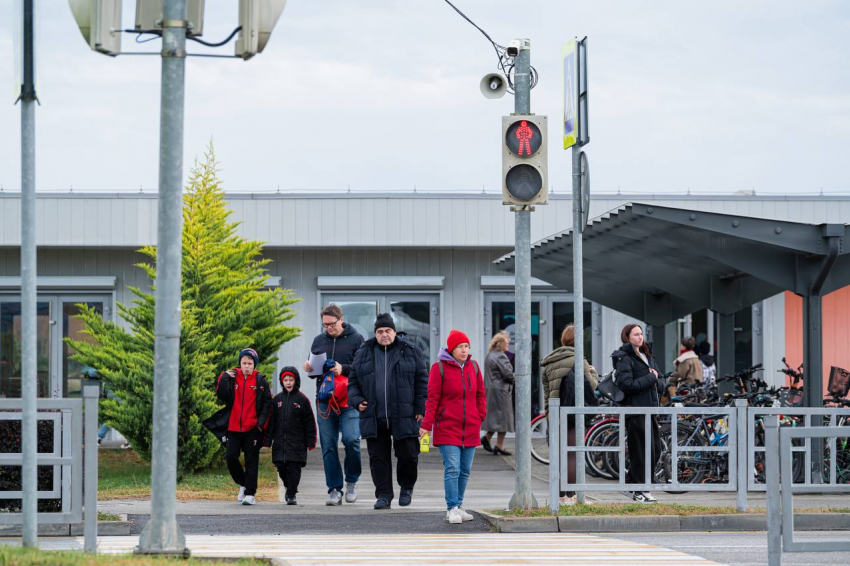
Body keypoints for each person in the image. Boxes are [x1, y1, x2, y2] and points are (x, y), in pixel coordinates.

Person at [348, 313, 428, 510]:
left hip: (405, 413)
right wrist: (356, 401)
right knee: (378, 458)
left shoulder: (410, 350)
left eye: (388, 331)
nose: (384, 334)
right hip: (374, 415)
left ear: (394, 332)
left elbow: (422, 380)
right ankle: (383, 495)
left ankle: (406, 487)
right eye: (380, 331)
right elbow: (353, 382)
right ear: (375, 333)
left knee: (408, 454)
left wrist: (420, 407)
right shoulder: (364, 351)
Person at [420, 330, 486, 524]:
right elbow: (432, 399)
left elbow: (481, 394)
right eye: (460, 347)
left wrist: (480, 414)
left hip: (470, 427)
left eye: (466, 346)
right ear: (452, 349)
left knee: (465, 470)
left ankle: (459, 504)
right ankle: (452, 508)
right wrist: (427, 425)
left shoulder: (473, 367)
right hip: (447, 427)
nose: (464, 350)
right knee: (453, 468)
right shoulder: (438, 368)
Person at [303, 304, 365, 506]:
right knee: (328, 446)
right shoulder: (318, 341)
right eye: (325, 325)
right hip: (325, 401)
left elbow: (364, 368)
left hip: (349, 400)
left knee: (351, 440)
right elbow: (314, 374)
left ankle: (352, 481)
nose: (328, 328)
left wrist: (343, 368)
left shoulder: (356, 339)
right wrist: (309, 368)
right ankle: (334, 489)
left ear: (341, 320)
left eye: (331, 324)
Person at [541, 323, 599, 505]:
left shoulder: (548, 362)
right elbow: (591, 386)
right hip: (573, 415)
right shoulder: (579, 360)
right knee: (572, 455)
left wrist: (549, 415)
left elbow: (546, 393)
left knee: (558, 456)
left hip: (555, 415)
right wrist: (593, 372)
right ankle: (571, 496)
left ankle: (558, 496)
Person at [212, 348, 272, 506]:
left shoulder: (260, 380)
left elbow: (267, 403)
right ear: (240, 363)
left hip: (252, 428)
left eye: (250, 363)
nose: (246, 366)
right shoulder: (232, 377)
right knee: (231, 457)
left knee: (251, 461)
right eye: (244, 363)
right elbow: (222, 395)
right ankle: (244, 484)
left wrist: (260, 424)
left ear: (254, 365)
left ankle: (250, 494)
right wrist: (224, 377)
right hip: (233, 427)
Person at [612, 324, 662, 504]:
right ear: (627, 337)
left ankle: (631, 483)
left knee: (656, 449)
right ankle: (641, 490)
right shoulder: (624, 358)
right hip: (635, 411)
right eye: (636, 334)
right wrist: (651, 378)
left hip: (651, 409)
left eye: (641, 334)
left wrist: (657, 380)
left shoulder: (646, 355)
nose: (640, 337)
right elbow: (626, 385)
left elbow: (659, 378)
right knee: (641, 451)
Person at [266, 367, 317, 505]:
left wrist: (311, 441)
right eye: (285, 380)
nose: (288, 382)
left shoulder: (302, 400)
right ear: (282, 382)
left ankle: (291, 493)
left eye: (291, 380)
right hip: (280, 443)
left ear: (296, 381)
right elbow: (271, 422)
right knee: (281, 467)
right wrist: (268, 440)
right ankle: (289, 487)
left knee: (294, 468)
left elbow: (309, 422)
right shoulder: (277, 400)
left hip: (297, 443)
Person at [480, 331, 515, 456]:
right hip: (501, 391)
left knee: (496, 417)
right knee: (503, 418)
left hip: (492, 390)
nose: (508, 344)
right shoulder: (500, 356)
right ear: (500, 343)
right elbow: (508, 374)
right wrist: (516, 377)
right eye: (507, 342)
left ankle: (487, 438)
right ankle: (499, 445)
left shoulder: (490, 355)